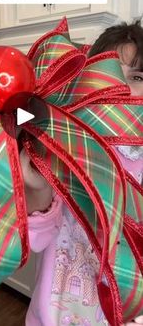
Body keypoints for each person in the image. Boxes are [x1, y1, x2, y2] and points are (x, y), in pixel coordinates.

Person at [20, 21, 143, 326]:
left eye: (137, 77)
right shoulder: (65, 148)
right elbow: (34, 241)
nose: (122, 87)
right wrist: (36, 190)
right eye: (108, 74)